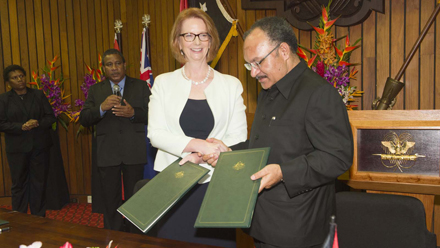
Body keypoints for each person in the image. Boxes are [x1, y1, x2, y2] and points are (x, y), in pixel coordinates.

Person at [202, 17, 354, 248]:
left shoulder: (318, 93)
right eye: (249, 65)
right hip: (263, 223)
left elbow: (337, 156)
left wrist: (283, 172)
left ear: (283, 50)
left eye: (258, 62)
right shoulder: (269, 90)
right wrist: (228, 152)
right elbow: (265, 148)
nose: (253, 73)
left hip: (297, 229)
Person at [147, 8, 247, 247]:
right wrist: (198, 148)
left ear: (211, 41)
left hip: (217, 182)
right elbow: (156, 134)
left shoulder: (230, 84)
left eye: (203, 35)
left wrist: (205, 156)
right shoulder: (163, 83)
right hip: (174, 179)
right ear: (178, 42)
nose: (197, 42)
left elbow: (239, 136)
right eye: (189, 35)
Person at [79, 48, 151, 231]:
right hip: (107, 151)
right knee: (110, 198)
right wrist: (101, 108)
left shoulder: (141, 86)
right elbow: (85, 118)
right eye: (109, 65)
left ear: (125, 65)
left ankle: (135, 234)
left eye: (118, 63)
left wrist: (134, 113)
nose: (114, 68)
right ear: (103, 68)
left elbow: (153, 114)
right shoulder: (96, 90)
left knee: (136, 197)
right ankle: (114, 234)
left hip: (133, 150)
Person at [0, 65, 56, 217]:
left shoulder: (38, 95)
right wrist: (21, 126)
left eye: (21, 76)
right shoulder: (4, 99)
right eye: (15, 77)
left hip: (39, 147)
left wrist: (37, 122)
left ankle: (39, 217)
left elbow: (50, 117)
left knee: (39, 183)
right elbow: (1, 123)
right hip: (17, 149)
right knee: (19, 184)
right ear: (8, 82)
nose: (19, 79)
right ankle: (19, 218)